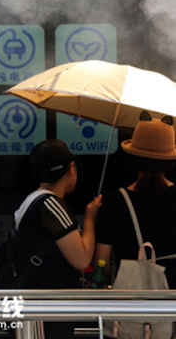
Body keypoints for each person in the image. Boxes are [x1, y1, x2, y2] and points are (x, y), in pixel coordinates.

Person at [13, 139, 101, 339]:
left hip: (33, 305)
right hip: (46, 308)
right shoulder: (51, 204)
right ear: (71, 168)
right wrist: (90, 218)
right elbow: (82, 259)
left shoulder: (32, 200)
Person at [95, 114, 176, 287]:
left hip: (131, 299)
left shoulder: (114, 202)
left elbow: (102, 263)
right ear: (169, 161)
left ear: (133, 158)